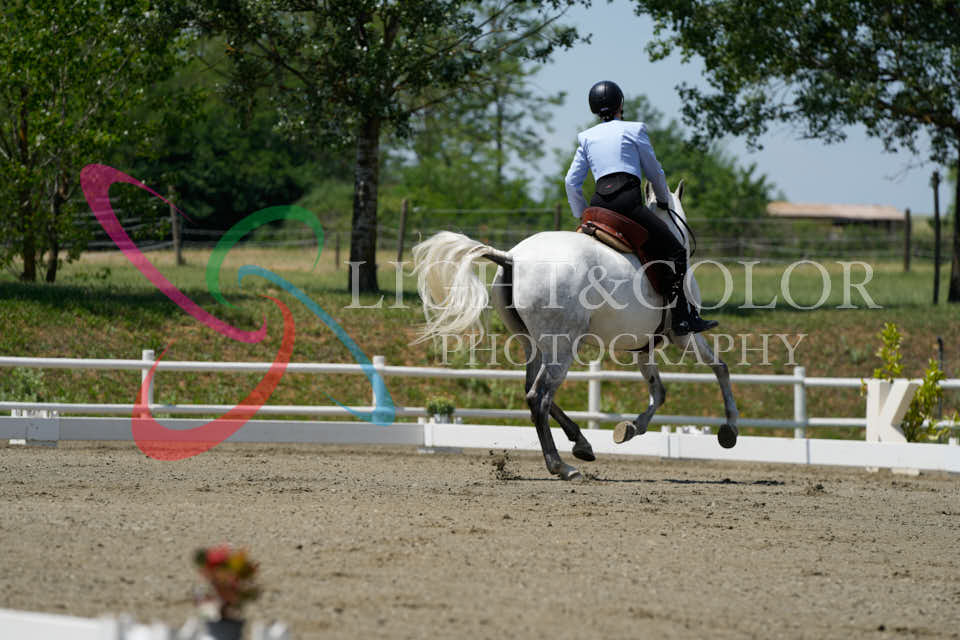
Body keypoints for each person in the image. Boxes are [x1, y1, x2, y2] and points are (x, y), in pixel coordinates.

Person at [564, 80, 717, 335]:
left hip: (599, 207)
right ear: (620, 105)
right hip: (629, 204)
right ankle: (682, 318)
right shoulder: (634, 130)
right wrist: (664, 199)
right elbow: (654, 171)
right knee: (677, 251)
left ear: (593, 108)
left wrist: (581, 213)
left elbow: (571, 182)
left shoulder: (587, 137)